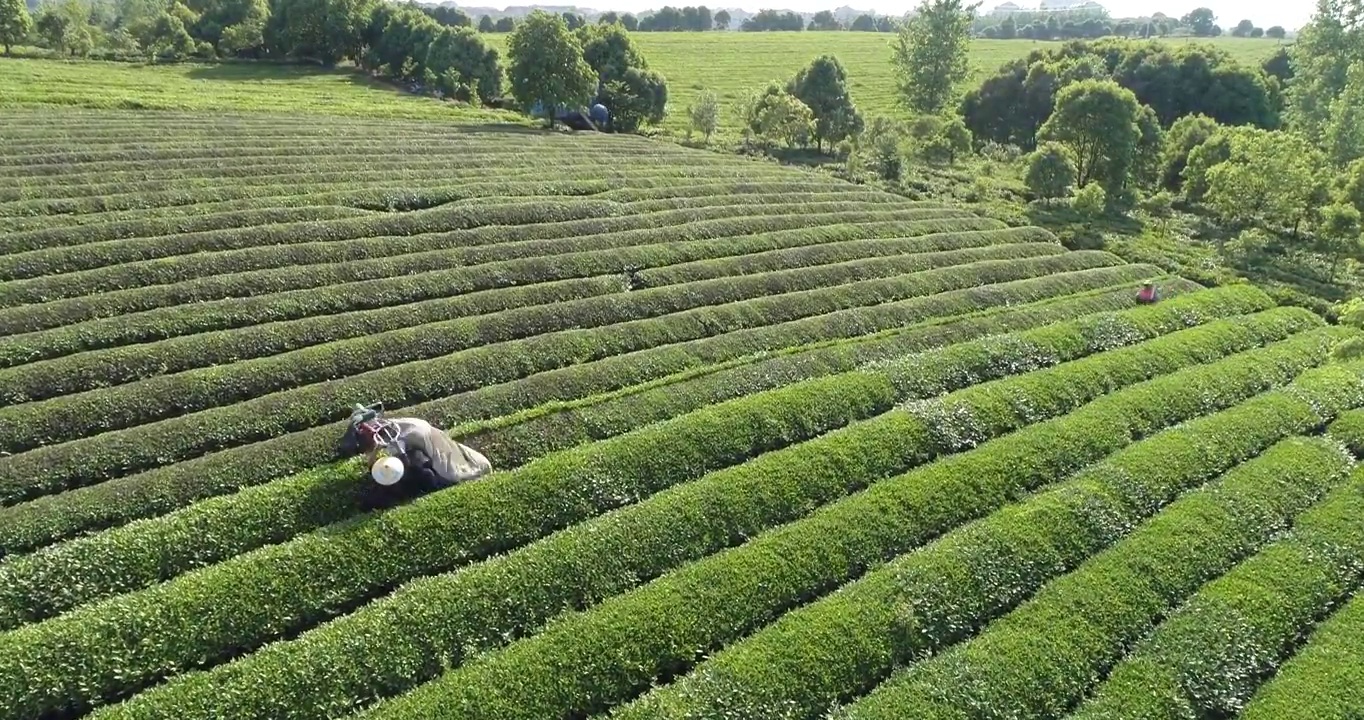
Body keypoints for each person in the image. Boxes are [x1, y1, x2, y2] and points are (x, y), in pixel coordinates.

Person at [340, 405, 493, 504]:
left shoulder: (396, 439)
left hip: (449, 465)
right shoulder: (399, 425)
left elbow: (396, 466)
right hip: (441, 446)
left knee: (451, 475)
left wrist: (374, 459)